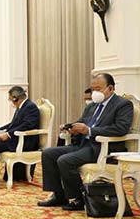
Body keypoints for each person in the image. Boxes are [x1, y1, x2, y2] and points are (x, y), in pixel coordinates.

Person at [39, 73, 133, 210]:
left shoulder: (123, 104)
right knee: (48, 153)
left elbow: (120, 128)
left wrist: (90, 131)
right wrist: (71, 127)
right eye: (93, 89)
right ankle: (59, 195)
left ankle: (78, 198)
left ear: (110, 88)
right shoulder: (92, 106)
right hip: (83, 144)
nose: (94, 93)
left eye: (98, 89)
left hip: (102, 148)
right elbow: (81, 122)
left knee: (65, 161)